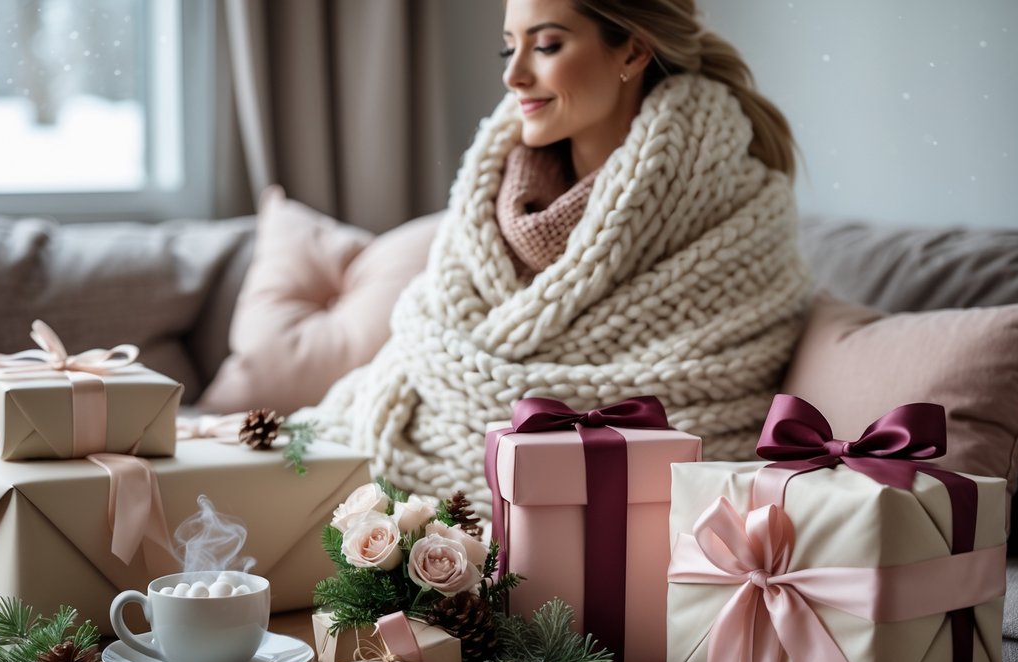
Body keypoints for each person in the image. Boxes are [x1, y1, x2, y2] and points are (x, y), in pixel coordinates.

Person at [302, 0, 811, 514]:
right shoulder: (489, 197)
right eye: (509, 46)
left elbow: (707, 405)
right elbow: (424, 341)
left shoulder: (731, 207)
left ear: (632, 51)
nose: (513, 74)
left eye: (545, 46)